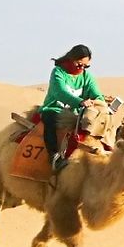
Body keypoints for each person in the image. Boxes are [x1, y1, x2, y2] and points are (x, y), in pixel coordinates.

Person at [40, 45, 111, 173]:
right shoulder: (58, 72)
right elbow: (60, 92)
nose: (82, 68)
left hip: (76, 113)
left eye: (86, 66)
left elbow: (97, 94)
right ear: (71, 59)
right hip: (55, 109)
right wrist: (80, 102)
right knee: (50, 119)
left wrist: (100, 103)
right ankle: (54, 157)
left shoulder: (86, 77)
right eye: (79, 64)